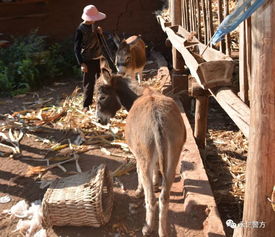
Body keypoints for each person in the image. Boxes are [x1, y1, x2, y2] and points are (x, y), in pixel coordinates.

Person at [74, 5, 106, 112]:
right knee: (89, 83)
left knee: (101, 81)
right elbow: (76, 48)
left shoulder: (94, 26)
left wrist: (100, 34)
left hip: (98, 58)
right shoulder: (80, 30)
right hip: (88, 60)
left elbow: (99, 42)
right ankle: (86, 105)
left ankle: (101, 102)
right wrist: (82, 63)